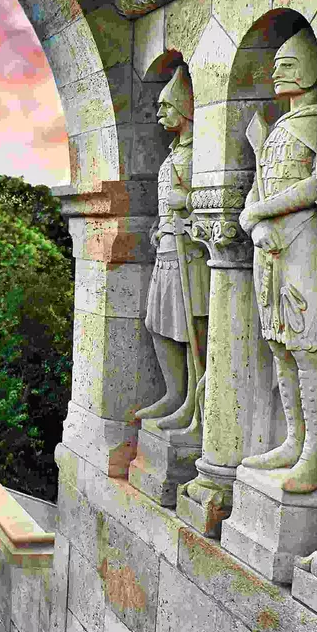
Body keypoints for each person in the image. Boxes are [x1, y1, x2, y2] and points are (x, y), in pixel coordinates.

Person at [238, 26, 317, 495]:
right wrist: (253, 216)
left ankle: (315, 453)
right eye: (275, 63)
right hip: (269, 250)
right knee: (279, 345)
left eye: (289, 62)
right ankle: (293, 439)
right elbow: (263, 184)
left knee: (308, 348)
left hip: (306, 248)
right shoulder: (279, 128)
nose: (278, 71)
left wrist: (260, 211)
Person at [133, 67, 208, 430]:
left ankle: (192, 401)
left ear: (184, 109)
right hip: (166, 245)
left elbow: (217, 198)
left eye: (166, 107)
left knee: (189, 328)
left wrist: (189, 200)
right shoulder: (175, 150)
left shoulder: (203, 150)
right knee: (157, 324)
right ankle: (173, 393)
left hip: (188, 249)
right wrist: (156, 225)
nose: (160, 115)